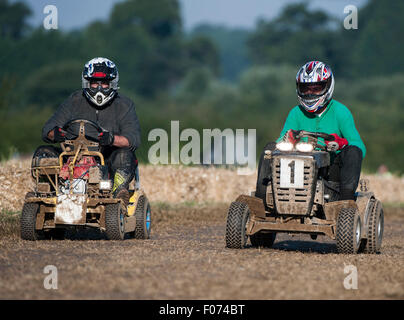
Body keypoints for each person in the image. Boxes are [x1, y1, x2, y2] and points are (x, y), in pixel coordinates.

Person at [34, 57, 141, 206]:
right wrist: (55, 133)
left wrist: (112, 139)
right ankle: (48, 193)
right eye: (94, 83)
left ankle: (118, 193)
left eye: (104, 84)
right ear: (87, 83)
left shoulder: (124, 105)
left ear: (112, 84)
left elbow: (133, 139)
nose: (99, 88)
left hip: (107, 159)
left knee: (124, 155)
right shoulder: (74, 100)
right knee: (43, 152)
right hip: (72, 157)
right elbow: (47, 130)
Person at [256, 60, 366, 202]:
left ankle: (346, 203)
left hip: (331, 172)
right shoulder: (296, 113)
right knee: (270, 149)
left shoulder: (341, 112)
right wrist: (287, 139)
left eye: (316, 88)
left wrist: (340, 144)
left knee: (353, 151)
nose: (309, 93)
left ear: (327, 87)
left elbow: (359, 146)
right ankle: (261, 199)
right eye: (305, 88)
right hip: (297, 167)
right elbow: (279, 142)